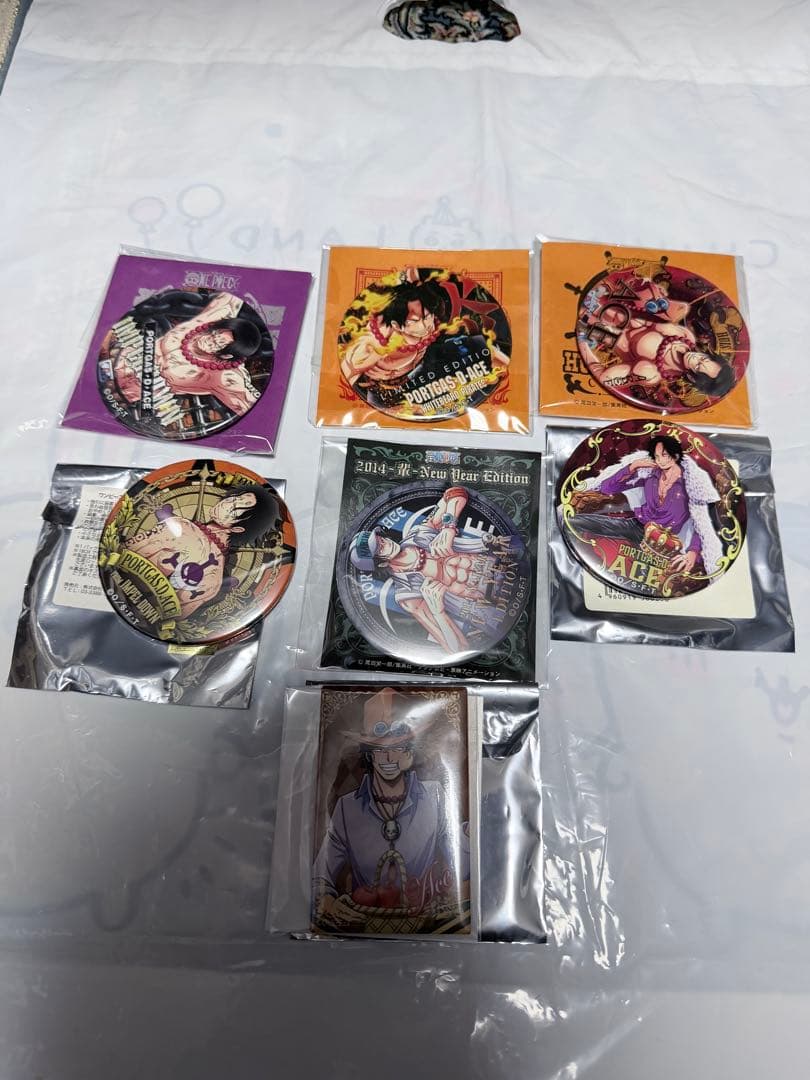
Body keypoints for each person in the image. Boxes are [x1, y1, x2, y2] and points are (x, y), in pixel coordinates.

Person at [312, 688, 468, 932]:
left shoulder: (435, 796)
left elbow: (462, 865)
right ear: (369, 755)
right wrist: (327, 901)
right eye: (379, 750)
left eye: (398, 748)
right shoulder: (347, 807)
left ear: (410, 753)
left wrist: (468, 836)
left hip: (426, 924)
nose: (388, 758)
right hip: (363, 927)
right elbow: (320, 876)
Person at [348, 486, 521, 654]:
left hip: (514, 559)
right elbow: (458, 649)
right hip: (506, 607)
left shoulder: (419, 533)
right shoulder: (408, 596)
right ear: (379, 563)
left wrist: (448, 528)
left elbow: (454, 492)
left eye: (380, 539)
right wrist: (438, 613)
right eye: (378, 549)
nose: (385, 544)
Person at [569, 434, 723, 574]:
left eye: (664, 455)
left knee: (649, 579)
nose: (660, 460)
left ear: (675, 456)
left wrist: (693, 552)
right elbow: (606, 487)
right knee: (574, 522)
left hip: (663, 543)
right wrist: (633, 466)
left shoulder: (690, 485)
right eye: (656, 456)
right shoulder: (650, 476)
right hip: (635, 525)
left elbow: (702, 523)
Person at [340, 266, 510, 390]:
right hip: (396, 392)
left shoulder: (432, 315)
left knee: (479, 348)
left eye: (428, 317)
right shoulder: (372, 345)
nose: (426, 326)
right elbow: (345, 378)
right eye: (415, 321)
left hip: (431, 365)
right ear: (397, 326)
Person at [578, 272, 735, 403]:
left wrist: (583, 345)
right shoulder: (685, 336)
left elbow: (606, 379)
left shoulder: (653, 373)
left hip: (604, 334)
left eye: (698, 366)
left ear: (693, 378)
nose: (696, 358)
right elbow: (651, 315)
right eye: (704, 359)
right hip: (616, 310)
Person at [113, 291, 263, 416]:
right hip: (115, 356)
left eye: (217, 344)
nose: (207, 339)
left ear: (226, 356)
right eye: (214, 334)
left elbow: (256, 413)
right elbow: (235, 294)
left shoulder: (226, 378)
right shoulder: (211, 321)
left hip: (121, 394)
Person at [123, 491, 256, 619]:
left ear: (237, 529)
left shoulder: (183, 527)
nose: (226, 503)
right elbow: (173, 617)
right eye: (234, 498)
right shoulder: (215, 580)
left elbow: (124, 551)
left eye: (235, 509)